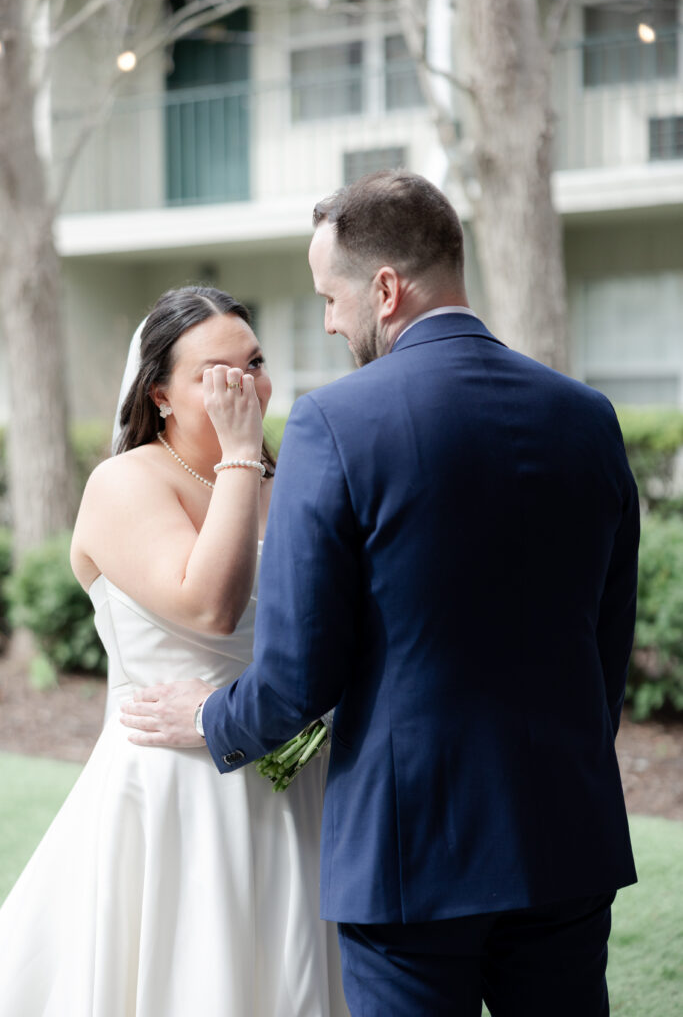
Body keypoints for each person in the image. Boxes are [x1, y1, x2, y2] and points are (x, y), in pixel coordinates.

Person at [121, 172, 640, 1017]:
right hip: (565, 836)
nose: (327, 321)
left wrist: (213, 716)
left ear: (386, 289)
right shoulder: (587, 417)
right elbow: (602, 648)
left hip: (411, 855)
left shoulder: (335, 423)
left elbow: (299, 673)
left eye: (331, 298)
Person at [0, 286, 348, 1017]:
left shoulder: (295, 485)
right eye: (215, 374)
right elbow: (209, 608)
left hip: (295, 787)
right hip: (170, 791)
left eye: (253, 364)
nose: (244, 387)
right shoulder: (125, 483)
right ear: (158, 393)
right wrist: (243, 452)